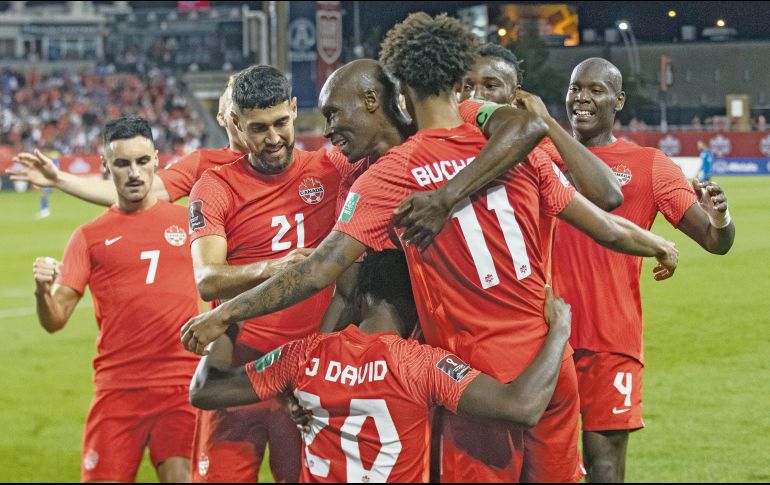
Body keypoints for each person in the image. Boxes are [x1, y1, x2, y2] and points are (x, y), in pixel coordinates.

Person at [180, 14, 679, 483]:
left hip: (475, 371)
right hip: (549, 355)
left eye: (333, 113)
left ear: (389, 94)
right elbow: (604, 209)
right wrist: (654, 244)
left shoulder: (391, 175)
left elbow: (318, 272)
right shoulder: (508, 141)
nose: (327, 129)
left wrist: (226, 313)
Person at [398, 57, 736, 483]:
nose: (582, 98)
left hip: (608, 339)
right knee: (527, 465)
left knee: (604, 465)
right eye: (576, 88)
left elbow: (713, 241)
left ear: (619, 100)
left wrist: (720, 218)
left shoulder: (650, 164)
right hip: (537, 334)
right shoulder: (527, 153)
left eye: (596, 90)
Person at [188, 250, 574, 483]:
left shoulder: (304, 355)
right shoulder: (420, 365)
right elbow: (522, 407)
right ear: (416, 307)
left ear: (361, 299)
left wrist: (225, 326)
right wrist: (558, 332)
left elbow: (206, 390)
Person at [32, 117, 199, 483]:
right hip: (118, 388)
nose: (134, 173)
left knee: (182, 477)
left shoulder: (190, 223)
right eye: (122, 163)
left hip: (181, 384)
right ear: (105, 166)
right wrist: (42, 292)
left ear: (157, 160)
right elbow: (55, 319)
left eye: (142, 161)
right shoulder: (88, 238)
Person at [7, 75, 247, 206]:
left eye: (250, 108)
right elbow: (129, 192)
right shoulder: (203, 164)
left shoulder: (274, 159)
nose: (244, 117)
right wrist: (58, 179)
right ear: (221, 118)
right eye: (235, 110)